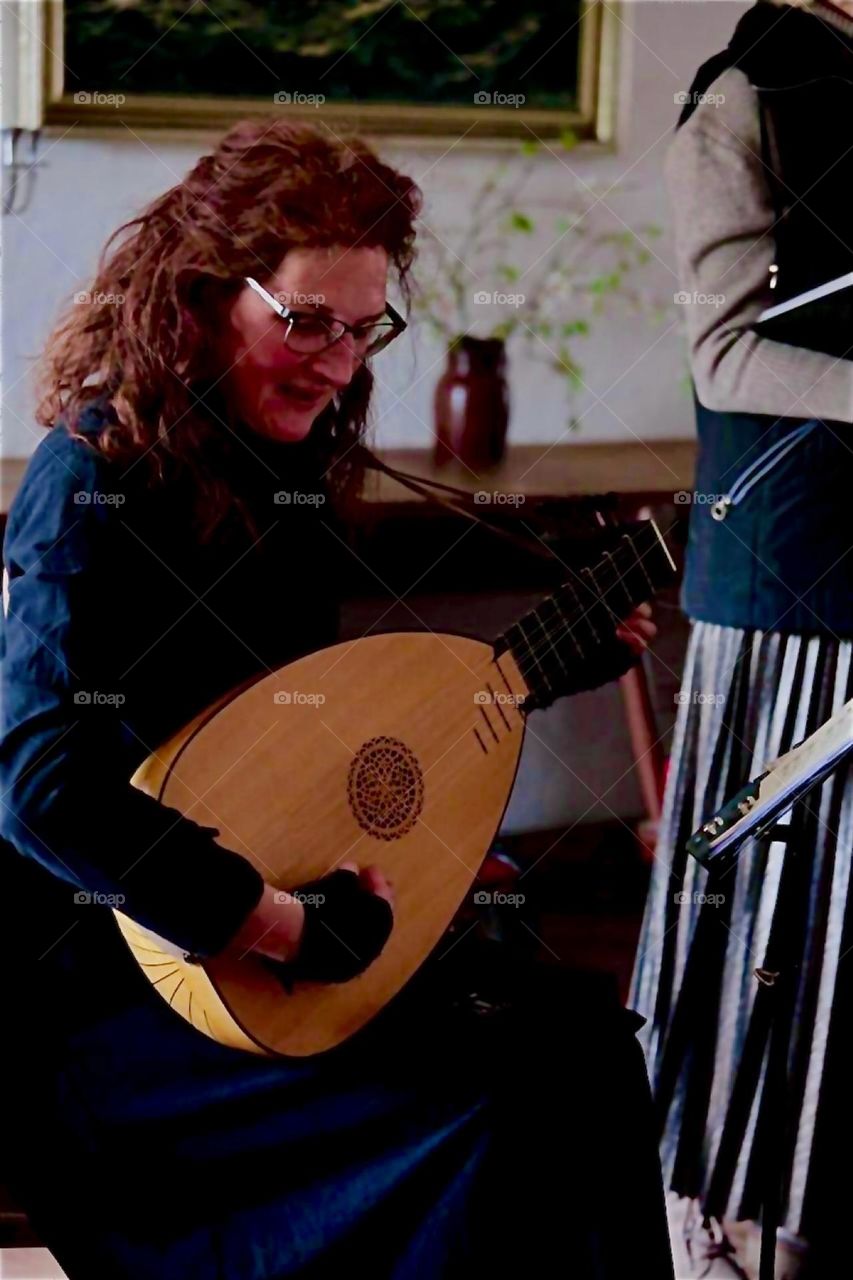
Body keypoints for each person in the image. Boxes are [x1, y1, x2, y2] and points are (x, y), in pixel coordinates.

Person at [0, 117, 671, 1279]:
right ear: (202, 299)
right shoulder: (93, 476)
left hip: (279, 925)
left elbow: (298, 744)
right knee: (496, 1099)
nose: (338, 363)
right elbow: (41, 786)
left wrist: (535, 679)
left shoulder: (283, 471)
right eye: (306, 321)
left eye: (363, 329)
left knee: (578, 1046)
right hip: (127, 991)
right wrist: (275, 923)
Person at [630, 2, 853, 1277]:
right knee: (771, 910)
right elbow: (723, 357)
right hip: (790, 578)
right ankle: (721, 1219)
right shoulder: (741, 97)